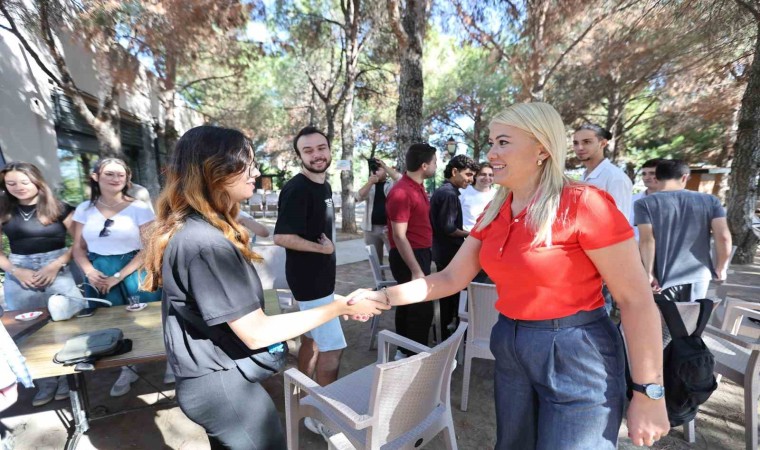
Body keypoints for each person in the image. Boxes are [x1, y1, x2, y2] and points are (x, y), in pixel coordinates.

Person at [347, 103, 669, 449]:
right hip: (510, 341)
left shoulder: (583, 203)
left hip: (575, 349)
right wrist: (382, 297)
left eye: (503, 142)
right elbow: (450, 279)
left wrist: (649, 393)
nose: (491, 154)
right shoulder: (497, 207)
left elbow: (636, 300)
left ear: (542, 149)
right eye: (491, 143)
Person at [140, 125, 388, 450]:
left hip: (222, 381)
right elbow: (257, 332)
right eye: (248, 164)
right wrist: (341, 307)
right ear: (216, 170)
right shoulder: (205, 243)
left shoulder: (201, 232)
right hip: (224, 388)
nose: (256, 172)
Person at [273, 126, 344, 437]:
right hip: (310, 283)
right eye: (309, 150)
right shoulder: (297, 188)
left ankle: (302, 397)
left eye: (321, 148)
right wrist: (323, 250)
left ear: (329, 149)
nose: (317, 155)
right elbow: (281, 237)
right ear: (299, 156)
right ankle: (322, 417)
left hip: (317, 280)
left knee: (311, 341)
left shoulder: (322, 184)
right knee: (334, 349)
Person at [71, 158, 161, 397]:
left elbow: (149, 247)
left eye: (121, 175)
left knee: (148, 319)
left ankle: (168, 361)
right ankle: (127, 368)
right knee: (112, 322)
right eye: (109, 174)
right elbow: (78, 247)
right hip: (99, 272)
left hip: (134, 270)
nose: (116, 178)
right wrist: (89, 271)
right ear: (95, 177)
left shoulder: (139, 208)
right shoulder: (84, 209)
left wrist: (118, 276)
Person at [0, 162, 79, 406]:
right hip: (19, 271)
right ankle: (45, 382)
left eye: (24, 181)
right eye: (11, 183)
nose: (18, 187)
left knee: (66, 324)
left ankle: (68, 379)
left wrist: (56, 265)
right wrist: (16, 271)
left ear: (37, 181)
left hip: (57, 268)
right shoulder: (2, 209)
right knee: (28, 329)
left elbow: (80, 242)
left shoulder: (60, 207)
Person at [634, 159, 732, 302]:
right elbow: (723, 237)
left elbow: (647, 240)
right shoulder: (711, 201)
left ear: (656, 177)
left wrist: (649, 273)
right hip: (698, 275)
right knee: (693, 315)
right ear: (684, 177)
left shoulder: (644, 204)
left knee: (663, 316)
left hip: (663, 276)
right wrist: (721, 267)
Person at [385, 143, 438, 358]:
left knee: (410, 306)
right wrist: (416, 270)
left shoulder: (415, 186)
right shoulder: (402, 192)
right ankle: (413, 355)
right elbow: (399, 236)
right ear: (424, 166)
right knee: (419, 309)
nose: (436, 166)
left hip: (419, 252)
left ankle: (405, 350)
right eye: (435, 162)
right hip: (409, 255)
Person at [429, 154, 477, 338]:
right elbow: (449, 229)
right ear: (455, 171)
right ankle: (446, 336)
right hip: (447, 253)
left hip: (443, 252)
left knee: (449, 297)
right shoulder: (448, 194)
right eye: (468, 174)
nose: (470, 180)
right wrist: (472, 234)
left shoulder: (446, 192)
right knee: (449, 298)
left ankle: (445, 334)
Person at [573, 124, 633, 220]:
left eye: (587, 142)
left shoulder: (615, 177)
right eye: (576, 143)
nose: (580, 147)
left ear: (603, 143)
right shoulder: (583, 176)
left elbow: (620, 220)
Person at [355, 158, 401, 264]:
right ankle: (380, 275)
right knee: (375, 261)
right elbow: (358, 197)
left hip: (389, 228)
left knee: (396, 258)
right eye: (374, 170)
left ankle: (398, 275)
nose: (376, 172)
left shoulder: (391, 184)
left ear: (385, 170)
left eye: (379, 169)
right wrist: (370, 183)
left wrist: (384, 166)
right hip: (370, 229)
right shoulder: (369, 186)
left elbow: (399, 179)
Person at [460, 162, 497, 231]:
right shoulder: (462, 192)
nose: (487, 178)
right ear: (475, 176)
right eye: (483, 174)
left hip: (488, 235)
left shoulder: (497, 195)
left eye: (491, 175)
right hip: (465, 234)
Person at [631, 159, 662, 241]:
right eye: (644, 174)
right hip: (633, 246)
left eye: (652, 173)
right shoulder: (632, 200)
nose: (647, 177)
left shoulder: (673, 201)